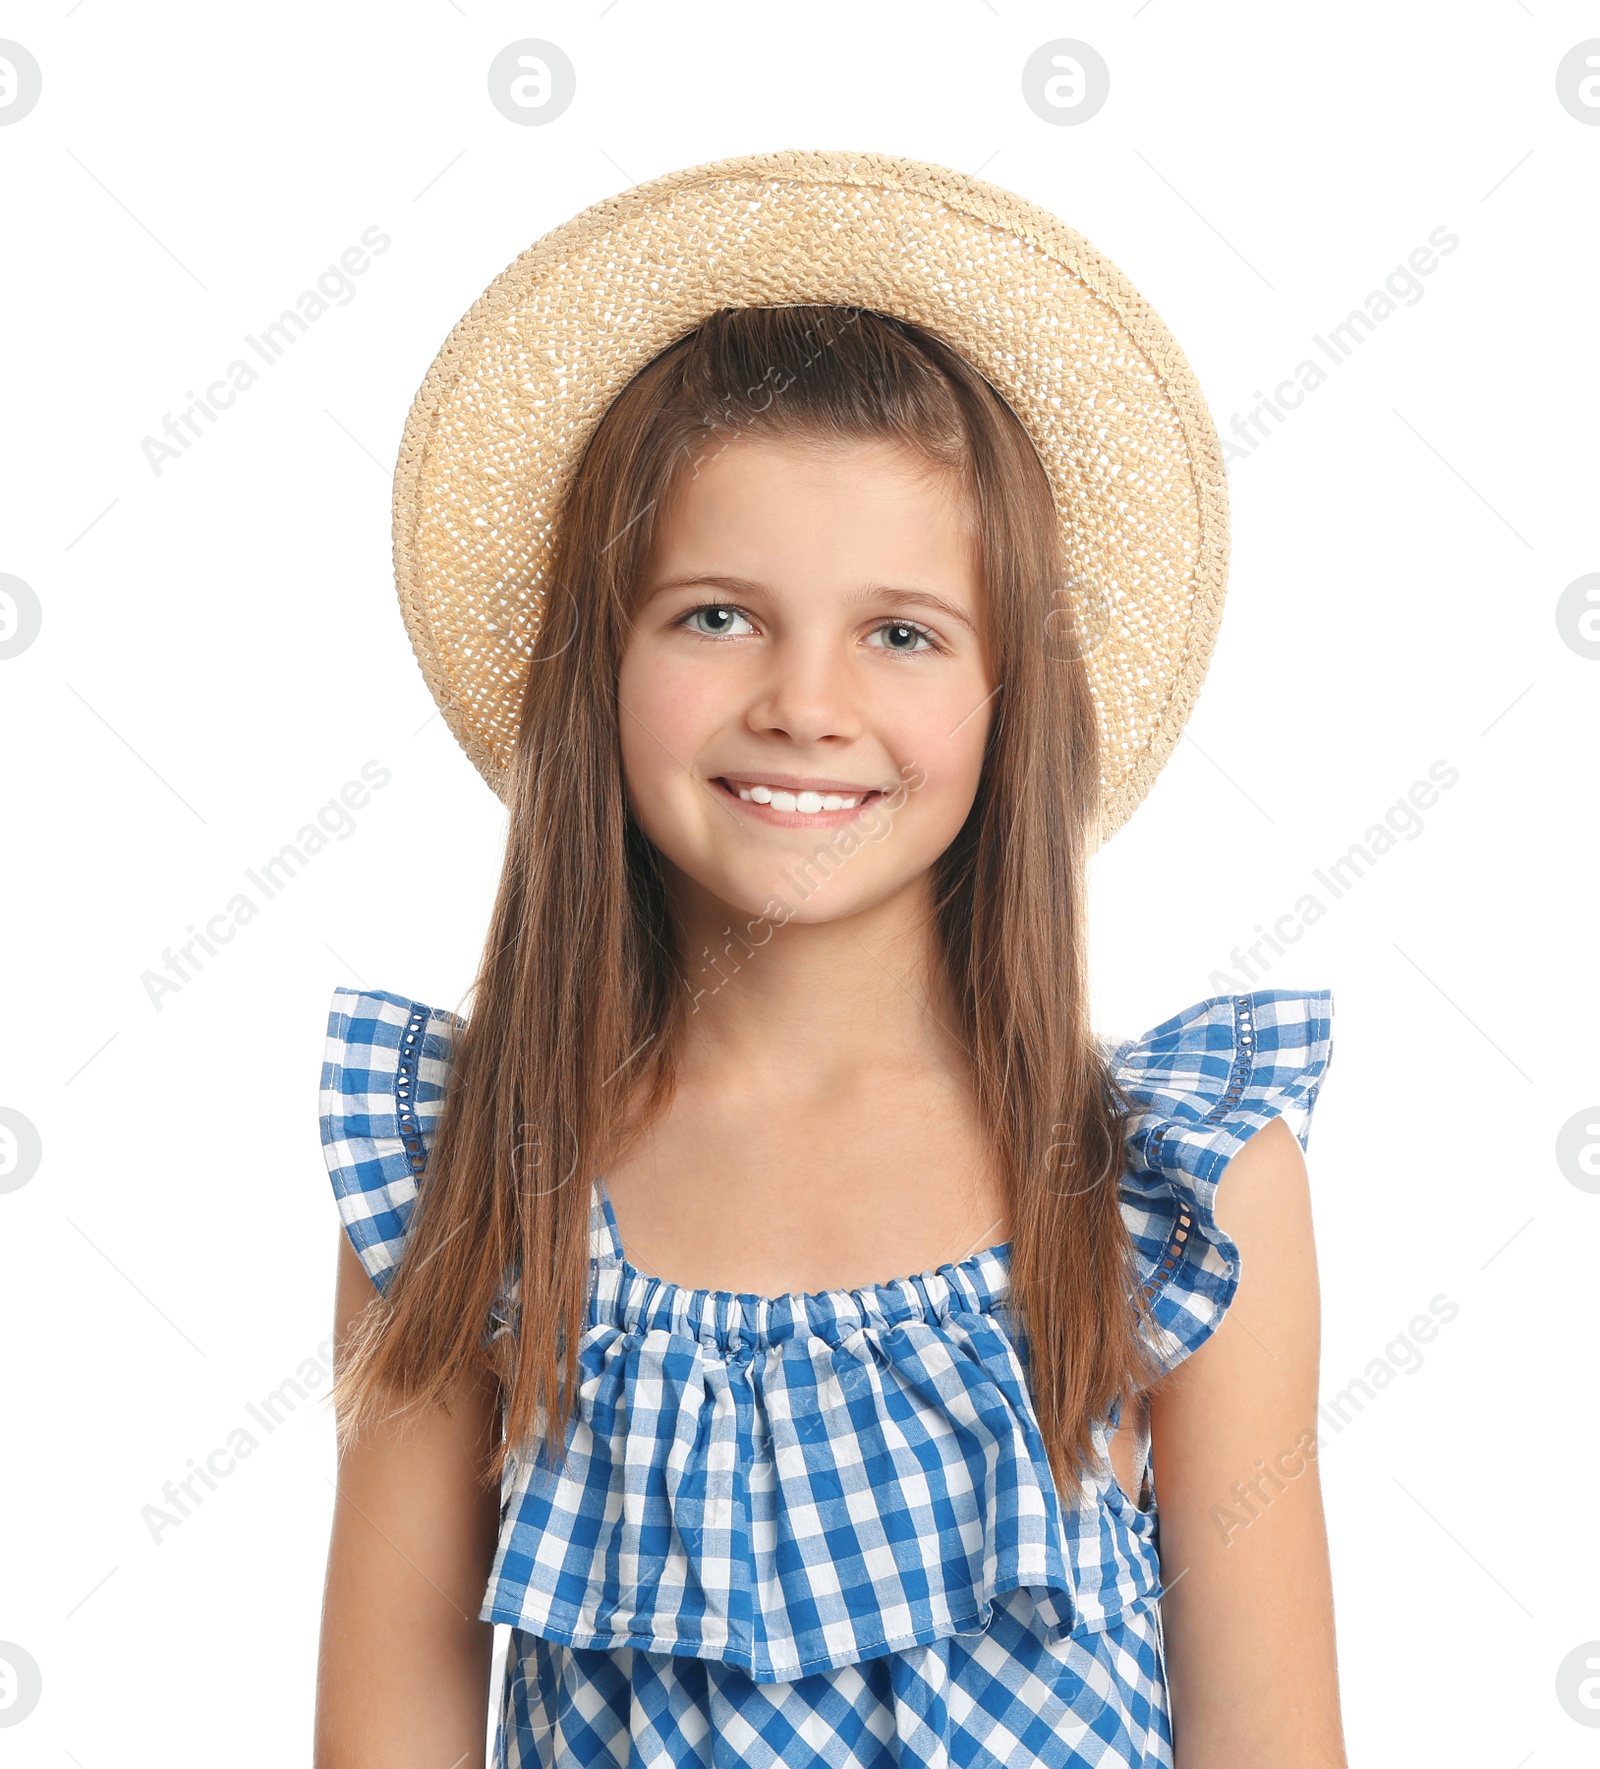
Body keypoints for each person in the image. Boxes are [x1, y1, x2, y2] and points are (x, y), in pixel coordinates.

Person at [312, 153, 1345, 1768]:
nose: (805, 701)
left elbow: (1274, 1746)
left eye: (904, 631)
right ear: (600, 666)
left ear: (1016, 700)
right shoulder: (472, 1174)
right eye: (718, 616)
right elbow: (385, 1740)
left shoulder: (1173, 1184)